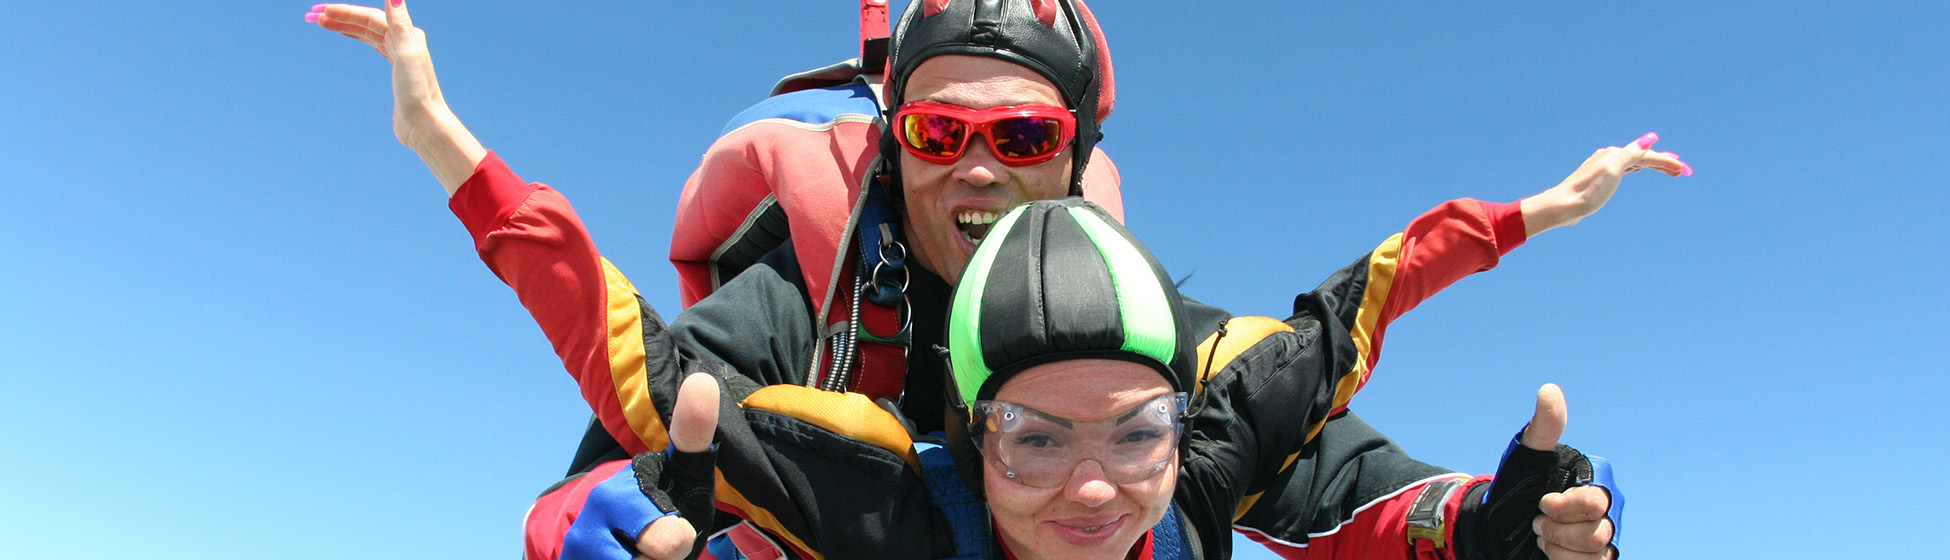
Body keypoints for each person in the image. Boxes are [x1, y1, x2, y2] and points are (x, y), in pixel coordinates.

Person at [304, 0, 1683, 558]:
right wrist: (586, 525)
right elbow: (632, 426)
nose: (974, 167)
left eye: (1019, 136)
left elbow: (1340, 466)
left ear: (1073, 151)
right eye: (935, 132)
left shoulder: (1149, 338)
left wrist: (1502, 521)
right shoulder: (802, 308)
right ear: (890, 138)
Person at [625, 198, 1619, 560]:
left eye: (1136, 430)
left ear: (1181, 427)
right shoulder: (899, 514)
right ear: (972, 438)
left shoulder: (1193, 489)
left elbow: (1347, 322)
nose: (1096, 485)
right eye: (1037, 437)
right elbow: (653, 372)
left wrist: (1488, 525)